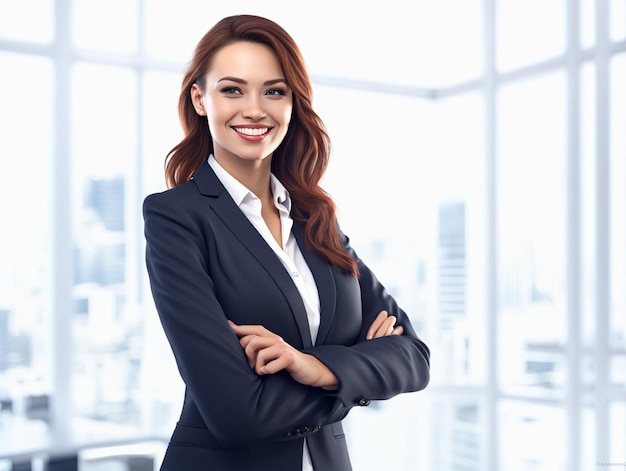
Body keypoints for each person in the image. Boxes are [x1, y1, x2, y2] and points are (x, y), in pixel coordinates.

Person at [143, 14, 430, 471]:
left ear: (293, 102)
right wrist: (352, 376)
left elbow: (414, 357)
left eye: (273, 91)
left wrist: (312, 367)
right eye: (232, 89)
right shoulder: (176, 217)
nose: (255, 109)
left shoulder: (316, 218)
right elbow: (236, 411)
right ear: (200, 99)